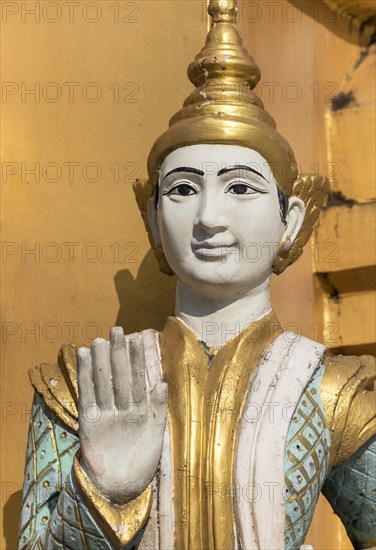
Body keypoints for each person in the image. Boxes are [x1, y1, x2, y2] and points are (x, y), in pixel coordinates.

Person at [18, 1, 375, 549]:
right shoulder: (84, 389)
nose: (209, 218)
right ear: (152, 219)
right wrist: (107, 490)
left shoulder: (333, 394)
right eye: (183, 188)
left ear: (290, 219)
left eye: (240, 187)